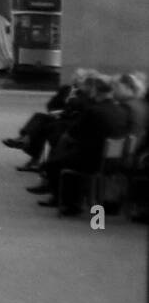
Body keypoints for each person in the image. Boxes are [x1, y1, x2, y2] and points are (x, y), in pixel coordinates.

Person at [31, 76, 131, 215]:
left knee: (53, 164)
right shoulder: (121, 111)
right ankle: (74, 200)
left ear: (96, 92)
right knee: (67, 158)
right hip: (114, 159)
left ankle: (67, 202)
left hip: (93, 159)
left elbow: (74, 133)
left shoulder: (94, 111)